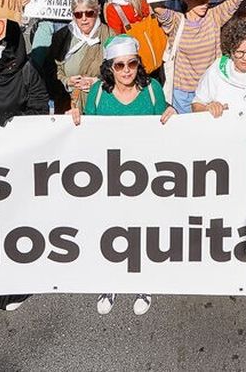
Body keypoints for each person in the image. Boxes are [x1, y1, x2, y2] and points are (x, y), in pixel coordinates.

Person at [69, 36, 170, 316]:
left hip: (146, 176)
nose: (127, 70)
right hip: (111, 175)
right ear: (109, 68)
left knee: (142, 229)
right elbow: (88, 128)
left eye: (132, 64)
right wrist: (74, 120)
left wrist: (171, 114)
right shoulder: (99, 94)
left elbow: (166, 124)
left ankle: (142, 281)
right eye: (119, 65)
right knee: (111, 229)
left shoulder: (153, 90)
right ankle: (110, 281)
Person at [154, 0, 246, 115]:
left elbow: (236, 0)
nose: (205, 3)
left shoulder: (213, 15)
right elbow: (158, 9)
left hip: (210, 89)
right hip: (183, 92)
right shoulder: (176, 20)